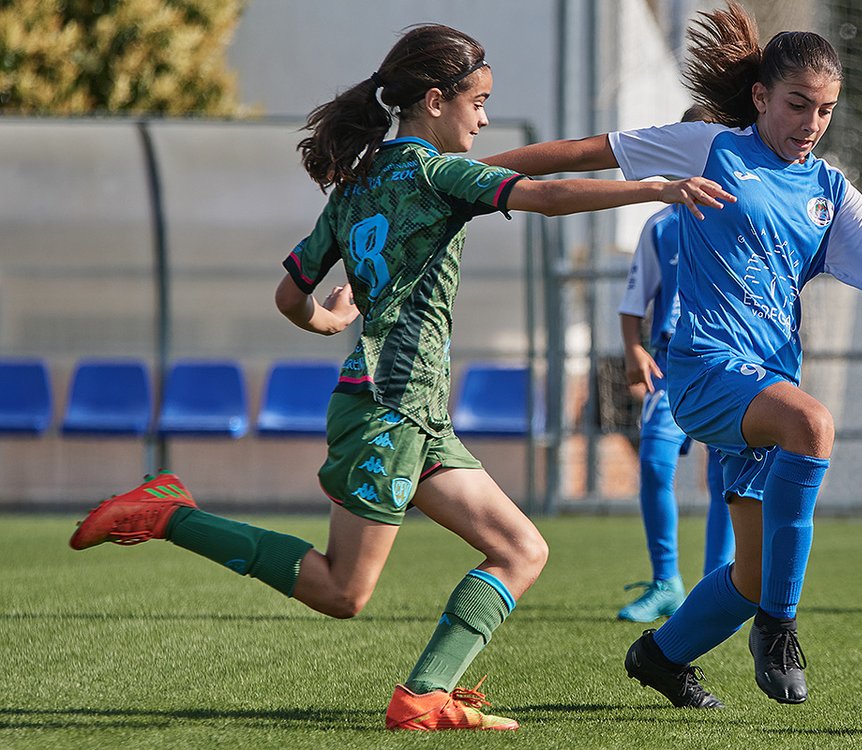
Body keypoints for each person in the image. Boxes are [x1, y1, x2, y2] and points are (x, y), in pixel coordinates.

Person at [66, 23, 732, 732]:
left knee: (521, 549)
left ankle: (423, 697)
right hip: (390, 412)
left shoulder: (360, 181)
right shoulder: (436, 172)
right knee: (341, 591)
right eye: (479, 101)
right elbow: (545, 195)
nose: (483, 117)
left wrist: (330, 320)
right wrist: (656, 187)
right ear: (436, 100)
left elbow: (290, 294)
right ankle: (168, 512)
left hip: (409, 412)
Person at [484, 1, 862, 709]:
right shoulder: (710, 147)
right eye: (798, 104)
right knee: (814, 427)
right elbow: (587, 151)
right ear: (760, 97)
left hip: (767, 386)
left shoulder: (830, 193)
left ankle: (660, 657)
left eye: (826, 111)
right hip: (705, 372)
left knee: (751, 571)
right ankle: (779, 628)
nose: (810, 124)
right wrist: (467, 174)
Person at [617, 104, 735, 622]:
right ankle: (666, 581)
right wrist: (633, 350)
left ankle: (720, 585)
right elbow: (633, 299)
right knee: (654, 461)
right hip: (670, 366)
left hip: (731, 365)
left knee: (725, 475)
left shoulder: (741, 214)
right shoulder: (660, 226)